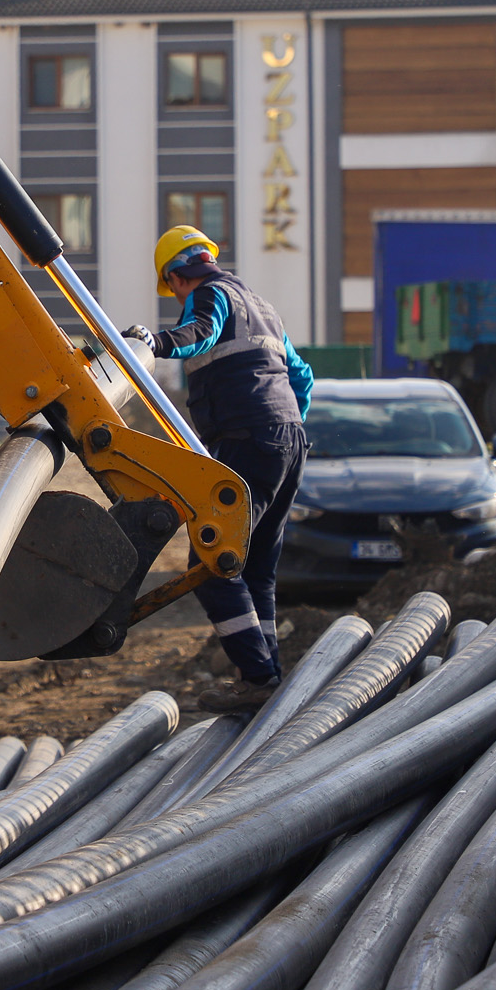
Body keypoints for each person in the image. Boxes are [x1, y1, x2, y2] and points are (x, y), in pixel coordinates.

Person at [124, 226, 314, 713]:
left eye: (173, 289)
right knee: (255, 568)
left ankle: (256, 678)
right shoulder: (262, 306)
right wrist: (285, 424)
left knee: (212, 561)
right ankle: (267, 673)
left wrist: (157, 341)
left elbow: (201, 332)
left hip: (246, 438)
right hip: (288, 439)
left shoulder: (209, 295)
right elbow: (301, 376)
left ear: (175, 277)